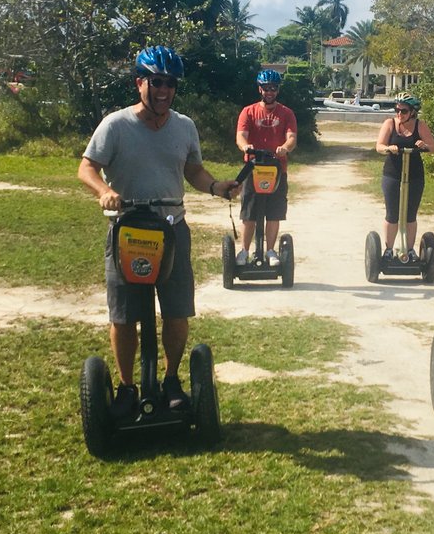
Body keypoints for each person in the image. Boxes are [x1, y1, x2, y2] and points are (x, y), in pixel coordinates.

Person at [77, 46, 241, 417]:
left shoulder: (184, 126)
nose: (164, 90)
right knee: (123, 316)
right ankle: (126, 386)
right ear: (140, 83)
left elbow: (193, 171)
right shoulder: (115, 125)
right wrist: (104, 191)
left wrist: (216, 186)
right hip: (127, 230)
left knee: (177, 311)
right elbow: (86, 167)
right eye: (156, 82)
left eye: (170, 83)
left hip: (171, 230)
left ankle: (170, 381)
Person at [235, 69, 298, 266]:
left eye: (273, 88)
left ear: (277, 90)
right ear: (259, 89)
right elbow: (241, 135)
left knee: (274, 212)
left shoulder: (286, 113)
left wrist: (285, 148)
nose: (269, 92)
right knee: (249, 213)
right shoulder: (249, 111)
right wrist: (245, 146)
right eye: (266, 88)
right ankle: (244, 251)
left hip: (277, 168)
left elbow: (292, 138)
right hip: (253, 168)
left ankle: (270, 251)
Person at [374, 94, 434, 263]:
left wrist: (424, 146)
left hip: (415, 174)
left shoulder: (420, 126)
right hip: (392, 173)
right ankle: (388, 250)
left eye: (404, 110)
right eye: (397, 110)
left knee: (410, 214)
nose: (399, 113)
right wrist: (389, 148)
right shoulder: (389, 124)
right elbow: (379, 146)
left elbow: (433, 148)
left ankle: (409, 250)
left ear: (413, 112)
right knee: (392, 213)